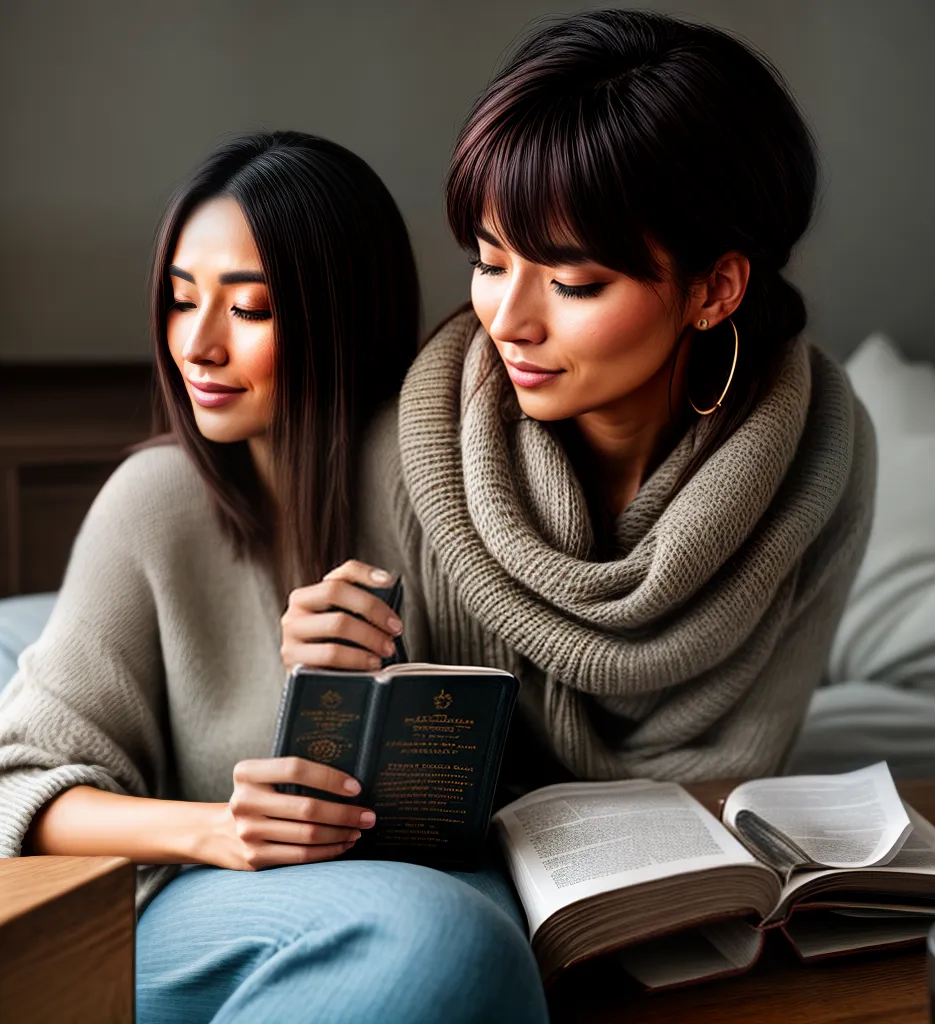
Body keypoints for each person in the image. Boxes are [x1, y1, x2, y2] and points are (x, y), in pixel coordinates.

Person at [0, 132, 548, 1023]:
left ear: (343, 317)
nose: (198, 345)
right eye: (181, 301)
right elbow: (16, 784)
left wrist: (380, 680)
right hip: (200, 906)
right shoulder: (154, 501)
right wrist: (218, 827)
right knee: (444, 936)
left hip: (431, 887)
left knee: (472, 930)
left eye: (249, 310)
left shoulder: (451, 482)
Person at [282, 11, 876, 795]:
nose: (507, 321)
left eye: (574, 284)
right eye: (489, 263)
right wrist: (324, 671)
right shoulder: (410, 449)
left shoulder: (820, 450)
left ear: (714, 290)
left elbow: (747, 760)